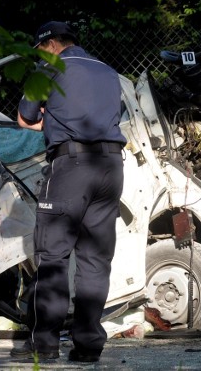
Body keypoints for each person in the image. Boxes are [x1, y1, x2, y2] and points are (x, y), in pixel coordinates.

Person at [10, 21, 126, 362]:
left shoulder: (49, 71)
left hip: (70, 167)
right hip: (111, 167)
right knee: (95, 259)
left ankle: (44, 344)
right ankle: (88, 347)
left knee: (54, 256)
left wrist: (50, 119)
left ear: (49, 45)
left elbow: (23, 119)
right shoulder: (108, 72)